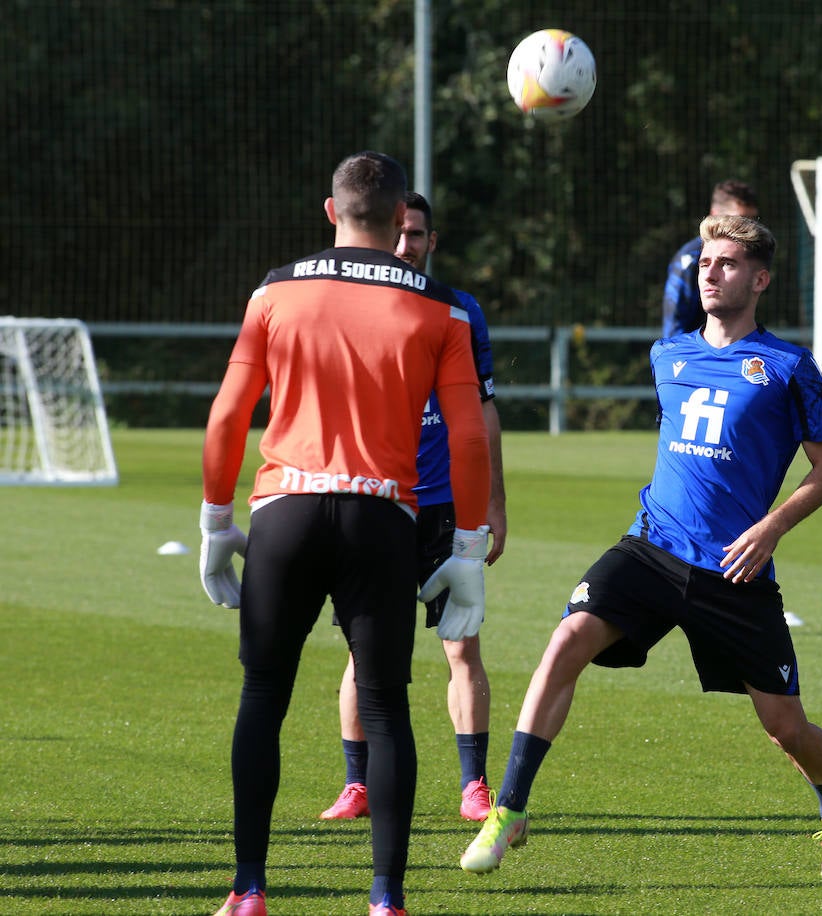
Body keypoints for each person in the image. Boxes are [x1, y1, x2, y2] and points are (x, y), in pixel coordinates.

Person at [460, 214, 822, 879]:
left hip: (733, 570)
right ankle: (510, 808)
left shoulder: (791, 367)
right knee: (565, 642)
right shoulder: (667, 356)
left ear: (760, 278)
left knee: (786, 729)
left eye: (728, 263)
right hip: (651, 548)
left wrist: (771, 527)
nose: (711, 272)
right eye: (706, 262)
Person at [198, 151, 491, 916]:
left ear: (330, 212)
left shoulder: (275, 290)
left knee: (264, 693)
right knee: (388, 707)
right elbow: (466, 438)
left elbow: (229, 414)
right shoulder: (442, 306)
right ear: (403, 220)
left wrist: (214, 523)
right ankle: (386, 899)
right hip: (380, 518)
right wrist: (468, 550)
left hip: (284, 512)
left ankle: (249, 888)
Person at [320, 191, 510, 825]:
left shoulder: (459, 312)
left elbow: (483, 414)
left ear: (433, 242)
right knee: (363, 651)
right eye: (398, 233)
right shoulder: (350, 305)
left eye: (418, 235)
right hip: (379, 503)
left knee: (462, 647)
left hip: (448, 509)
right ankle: (357, 784)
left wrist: (492, 505)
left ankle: (474, 785)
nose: (406, 246)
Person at [661, 179, 759, 338]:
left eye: (752, 221)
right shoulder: (689, 259)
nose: (746, 229)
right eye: (738, 220)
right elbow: (675, 321)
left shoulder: (753, 257)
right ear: (715, 215)